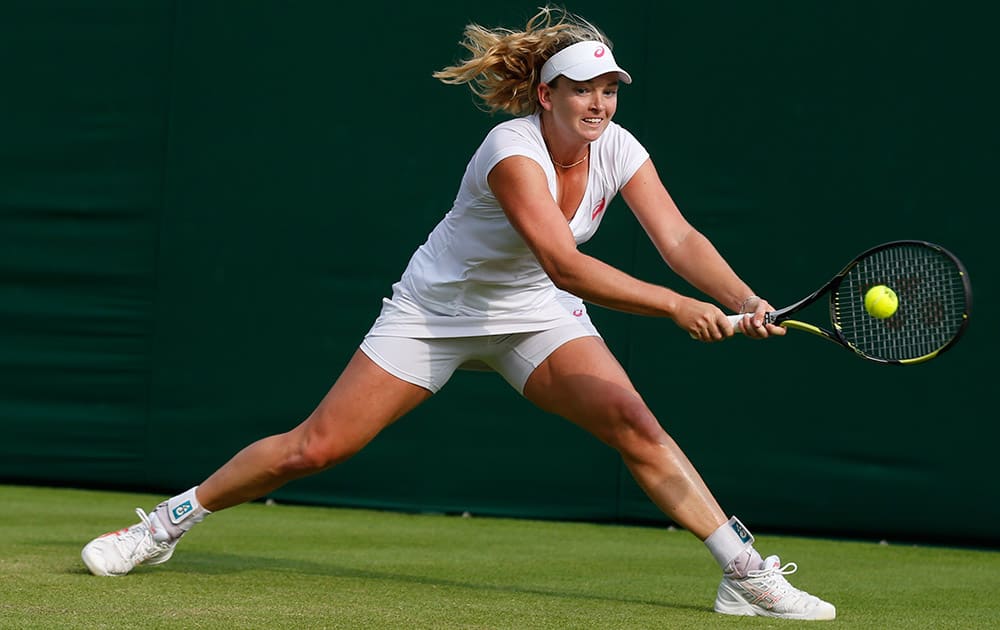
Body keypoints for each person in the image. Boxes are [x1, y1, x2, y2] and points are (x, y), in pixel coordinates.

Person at [81, 6, 835, 621]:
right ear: (547, 95)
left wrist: (743, 300)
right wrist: (676, 308)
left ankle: (743, 574)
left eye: (609, 88)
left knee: (634, 423)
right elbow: (565, 262)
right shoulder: (511, 150)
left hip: (536, 316)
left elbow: (677, 238)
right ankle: (164, 524)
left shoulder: (619, 147)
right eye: (582, 89)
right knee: (313, 449)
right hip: (436, 311)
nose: (599, 103)